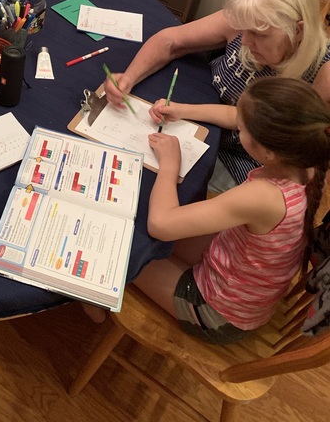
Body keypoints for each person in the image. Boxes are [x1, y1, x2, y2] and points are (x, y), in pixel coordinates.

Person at [130, 77, 330, 344]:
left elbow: (161, 224)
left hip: (219, 312)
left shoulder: (263, 197)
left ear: (267, 152)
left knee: (126, 249)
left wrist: (170, 163)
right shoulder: (306, 159)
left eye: (242, 129)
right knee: (152, 233)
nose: (237, 128)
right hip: (237, 268)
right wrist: (181, 110)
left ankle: (90, 299)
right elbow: (235, 114)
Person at [105, 0, 330, 186]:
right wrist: (129, 77)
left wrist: (186, 112)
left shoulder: (323, 74)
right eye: (243, 29)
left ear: (298, 30)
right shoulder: (251, 18)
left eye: (258, 34)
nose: (244, 41)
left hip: (241, 157)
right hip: (190, 117)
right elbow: (170, 41)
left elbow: (256, 125)